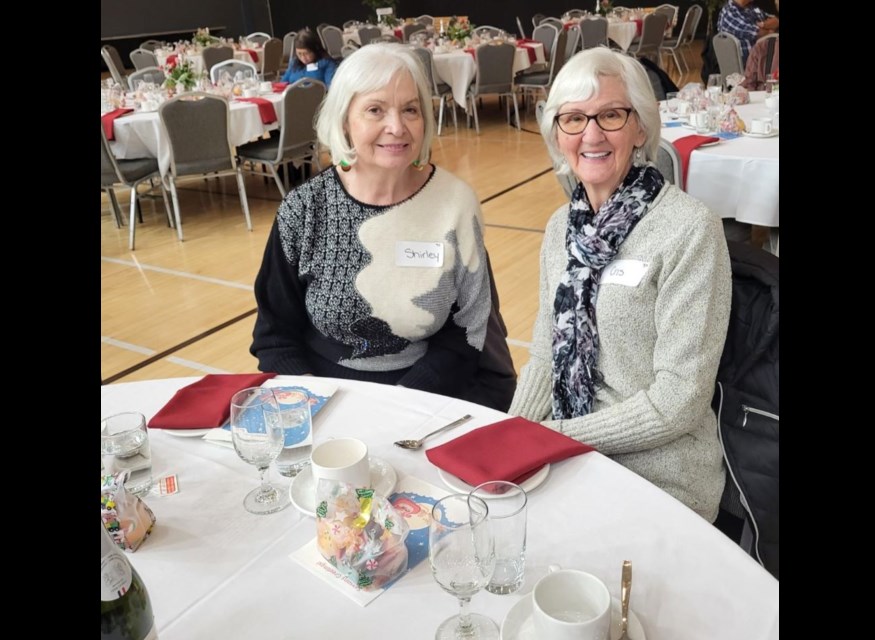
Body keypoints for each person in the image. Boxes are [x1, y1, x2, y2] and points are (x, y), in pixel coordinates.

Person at [509, 48, 732, 521]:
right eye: (573, 119)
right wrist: (510, 439)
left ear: (641, 127)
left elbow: (679, 400)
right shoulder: (560, 228)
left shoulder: (689, 228)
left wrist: (557, 438)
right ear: (557, 134)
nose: (591, 134)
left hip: (661, 475)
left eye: (610, 115)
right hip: (566, 453)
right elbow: (548, 353)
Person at [251, 43, 515, 410]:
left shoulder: (454, 204)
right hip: (321, 394)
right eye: (375, 110)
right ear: (345, 120)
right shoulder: (305, 208)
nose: (397, 127)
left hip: (429, 394)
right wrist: (309, 401)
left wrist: (401, 404)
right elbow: (275, 335)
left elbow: (469, 329)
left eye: (410, 109)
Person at [717, 0, 780, 65]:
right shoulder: (729, 13)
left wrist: (763, 24)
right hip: (751, 65)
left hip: (765, 58)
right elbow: (759, 33)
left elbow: (776, 21)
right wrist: (770, 31)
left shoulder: (752, 8)